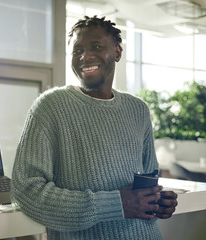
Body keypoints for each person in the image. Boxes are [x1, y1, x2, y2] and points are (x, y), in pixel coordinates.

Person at [11, 16, 178, 240]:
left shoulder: (138, 110)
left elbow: (147, 182)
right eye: (77, 50)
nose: (85, 56)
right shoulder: (50, 107)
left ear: (118, 52)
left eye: (96, 47)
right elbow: (26, 191)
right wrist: (115, 204)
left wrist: (157, 203)